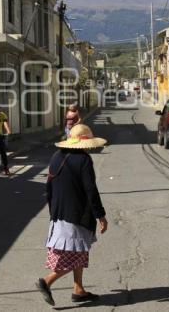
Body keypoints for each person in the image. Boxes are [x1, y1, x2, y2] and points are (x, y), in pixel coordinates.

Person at [36, 124, 108, 307]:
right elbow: (90, 190)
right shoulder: (84, 160)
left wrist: (53, 212)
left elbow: (49, 187)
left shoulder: (56, 157)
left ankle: (78, 289)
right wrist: (100, 215)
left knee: (79, 251)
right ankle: (47, 281)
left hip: (59, 213)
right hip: (76, 214)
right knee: (74, 254)